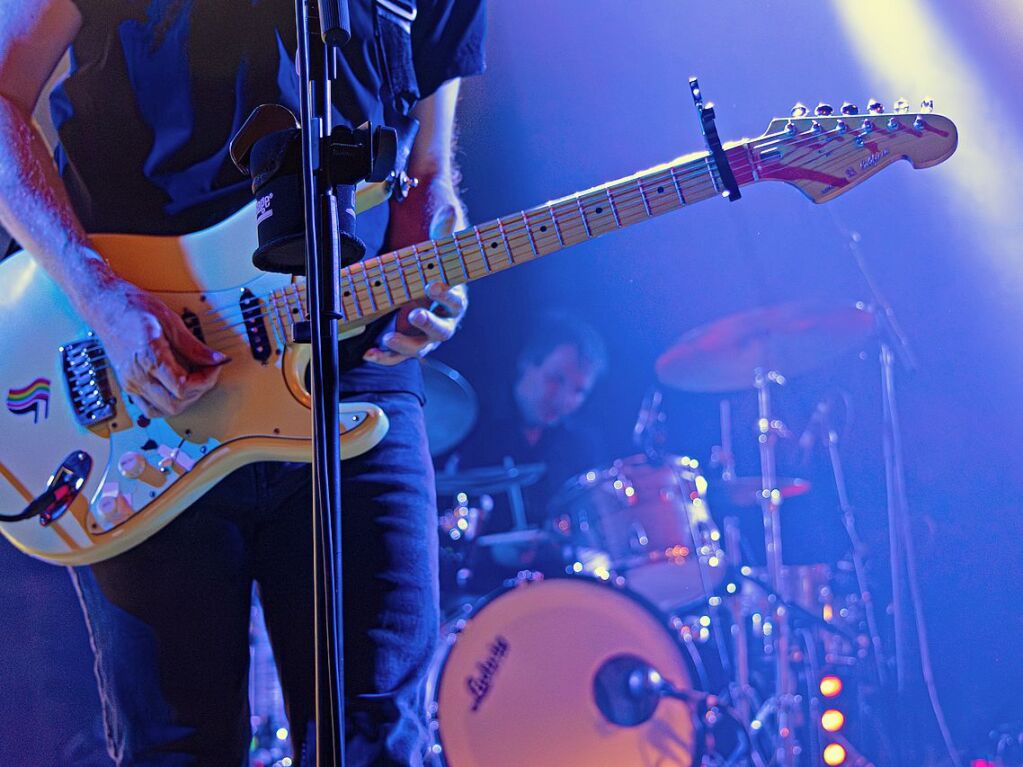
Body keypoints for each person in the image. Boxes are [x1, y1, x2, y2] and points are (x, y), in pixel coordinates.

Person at [0, 1, 485, 765]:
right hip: (143, 377)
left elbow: (425, 173)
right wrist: (99, 296)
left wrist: (430, 265)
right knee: (178, 745)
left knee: (379, 735)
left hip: (356, 375)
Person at [438, 312, 607, 599]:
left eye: (579, 391)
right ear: (528, 363)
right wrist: (490, 553)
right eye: (556, 379)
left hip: (556, 593)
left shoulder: (581, 446)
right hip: (476, 594)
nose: (564, 399)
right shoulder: (467, 426)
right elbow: (443, 536)